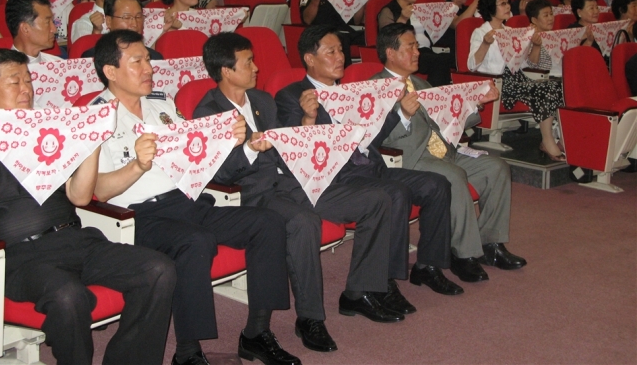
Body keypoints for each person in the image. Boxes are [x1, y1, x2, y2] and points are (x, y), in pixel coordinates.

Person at [0, 47, 176, 365]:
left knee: (159, 269)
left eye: (28, 80)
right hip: (19, 257)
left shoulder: (50, 133)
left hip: (76, 239)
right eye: (15, 82)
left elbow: (80, 198)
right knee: (68, 296)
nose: (27, 89)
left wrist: (91, 142)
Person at [90, 30, 297, 365]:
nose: (148, 69)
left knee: (268, 223)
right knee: (195, 241)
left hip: (185, 200)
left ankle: (256, 333)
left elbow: (193, 158)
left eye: (148, 60)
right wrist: (137, 166)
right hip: (136, 216)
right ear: (110, 71)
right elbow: (98, 191)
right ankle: (187, 352)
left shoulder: (161, 103)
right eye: (137, 62)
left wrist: (224, 143)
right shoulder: (96, 117)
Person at [194, 32, 405, 354]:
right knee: (303, 222)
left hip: (294, 182)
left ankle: (360, 292)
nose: (256, 68)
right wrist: (250, 149)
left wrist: (306, 123)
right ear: (225, 70)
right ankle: (310, 318)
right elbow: (218, 173)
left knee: (376, 201)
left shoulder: (262, 100)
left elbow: (291, 144)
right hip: (253, 192)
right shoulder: (208, 110)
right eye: (248, 61)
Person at [275, 25, 461, 296]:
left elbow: (372, 138)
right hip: (339, 177)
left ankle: (428, 266)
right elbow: (297, 154)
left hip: (370, 166)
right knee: (395, 193)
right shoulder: (292, 96)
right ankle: (383, 281)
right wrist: (308, 119)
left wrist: (400, 114)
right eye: (331, 52)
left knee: (437, 184)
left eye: (341, 50)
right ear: (309, 59)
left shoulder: (353, 93)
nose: (340, 57)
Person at [375, 23, 526, 280]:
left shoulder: (422, 83)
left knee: (496, 167)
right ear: (390, 53)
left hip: (444, 150)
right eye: (410, 46)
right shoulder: (374, 89)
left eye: (416, 46)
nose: (417, 51)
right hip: (410, 157)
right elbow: (375, 137)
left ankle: (491, 244)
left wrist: (474, 103)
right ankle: (462, 253)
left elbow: (450, 121)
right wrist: (403, 116)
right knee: (453, 175)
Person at [469, 0, 565, 161]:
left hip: (517, 77)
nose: (507, 6)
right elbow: (471, 66)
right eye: (502, 3)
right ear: (491, 7)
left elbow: (529, 63)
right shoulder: (480, 32)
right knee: (544, 90)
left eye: (507, 2)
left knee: (554, 86)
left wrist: (535, 45)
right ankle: (548, 140)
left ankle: (555, 137)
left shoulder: (512, 32)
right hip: (496, 82)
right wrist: (485, 44)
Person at [378, 0, 452, 86]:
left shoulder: (418, 9)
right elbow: (387, 40)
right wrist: (402, 18)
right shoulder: (388, 10)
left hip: (425, 49)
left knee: (449, 57)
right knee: (440, 61)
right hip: (405, 52)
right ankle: (432, 95)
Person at [81, 0, 163, 60]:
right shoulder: (93, 58)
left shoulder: (155, 58)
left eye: (138, 17)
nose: (134, 24)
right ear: (109, 21)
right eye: (127, 17)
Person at [7, 0, 60, 64]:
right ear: (25, 29)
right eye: (47, 22)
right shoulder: (1, 72)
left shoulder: (58, 66)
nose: (54, 29)